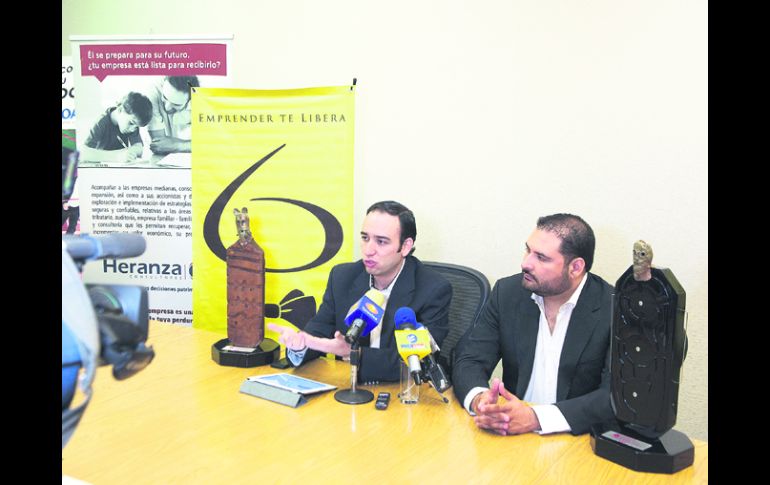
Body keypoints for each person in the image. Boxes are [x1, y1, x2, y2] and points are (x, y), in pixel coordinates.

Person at [452, 213, 614, 436]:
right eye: (527, 250)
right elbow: (470, 360)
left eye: (541, 258)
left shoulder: (615, 309)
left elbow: (613, 396)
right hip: (512, 434)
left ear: (575, 268)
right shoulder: (507, 293)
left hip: (577, 439)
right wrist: (481, 401)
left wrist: (536, 418)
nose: (525, 263)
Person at [268, 201, 452, 382]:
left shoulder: (433, 289)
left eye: (381, 241)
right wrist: (301, 344)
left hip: (402, 392)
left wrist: (354, 353)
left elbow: (419, 362)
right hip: (347, 388)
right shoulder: (342, 277)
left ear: (405, 246)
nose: (368, 250)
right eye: (365, 238)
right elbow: (319, 330)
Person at [80, 92, 153, 164]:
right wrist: (117, 157)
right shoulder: (101, 122)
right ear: (120, 110)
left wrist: (130, 152)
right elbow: (83, 153)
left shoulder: (132, 125)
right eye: (131, 123)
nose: (132, 129)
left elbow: (139, 147)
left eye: (136, 127)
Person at [146, 75, 199, 154]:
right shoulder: (154, 91)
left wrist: (177, 145)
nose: (167, 108)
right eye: (165, 97)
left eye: (176, 104)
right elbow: (159, 145)